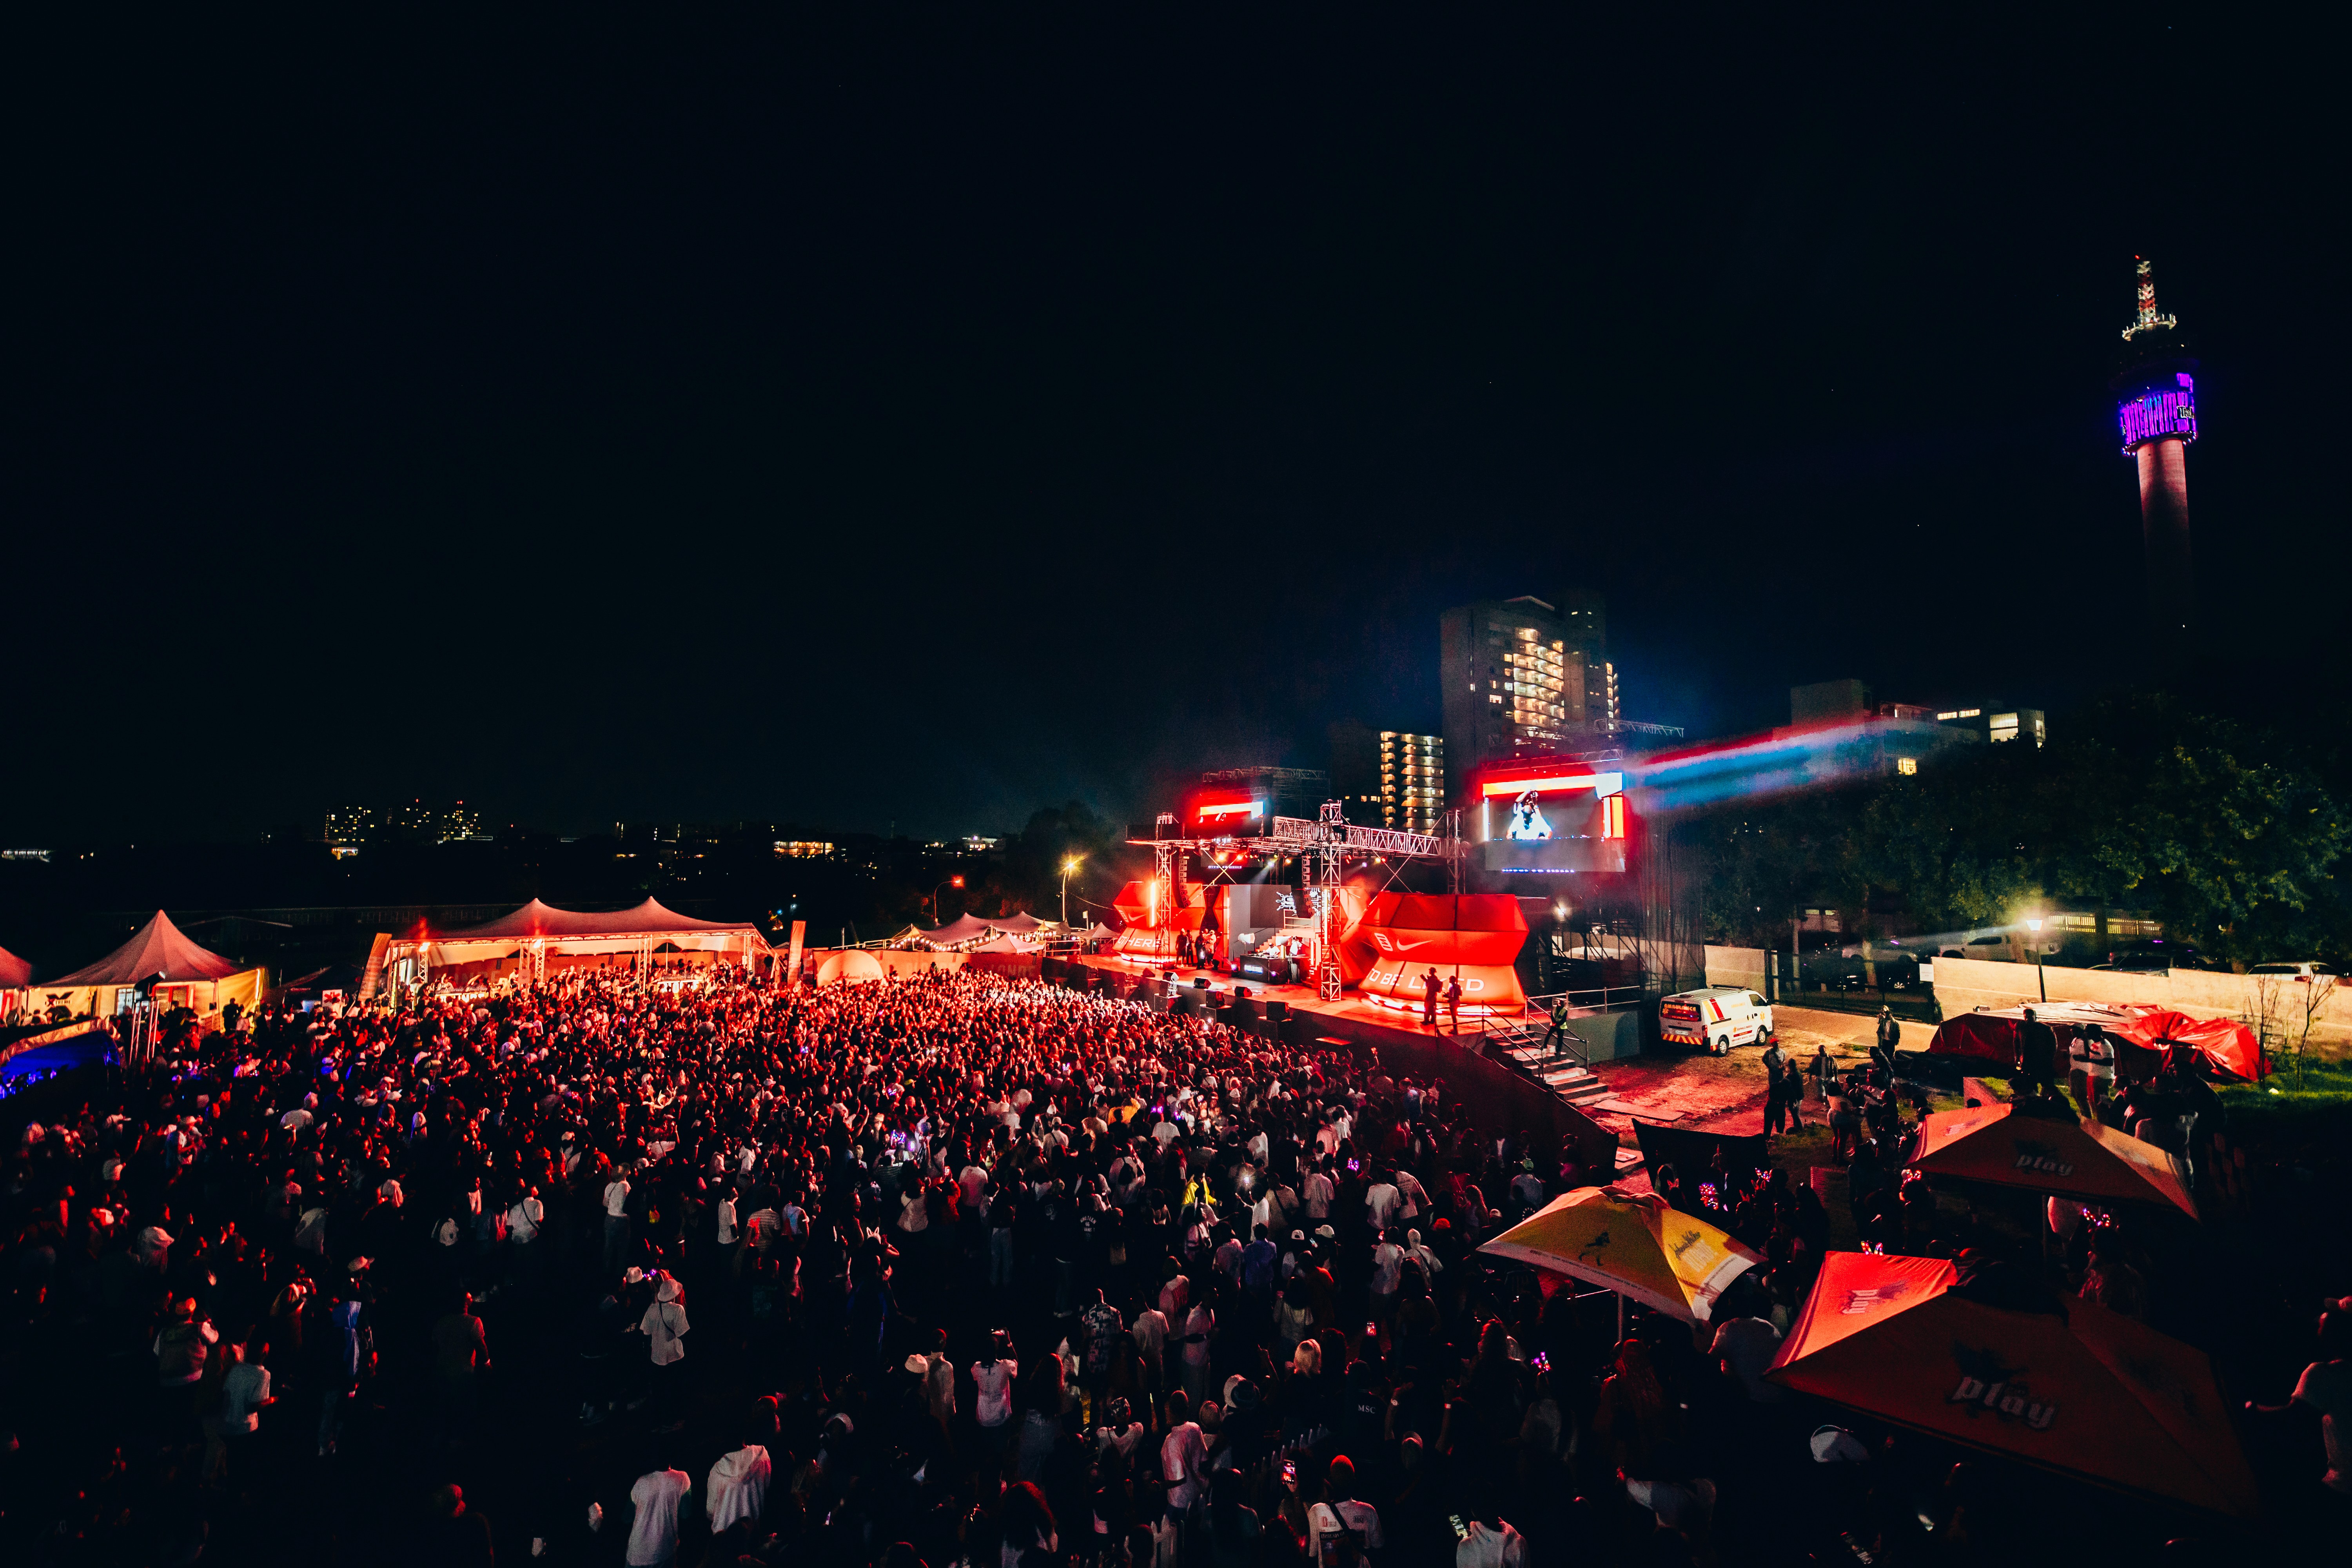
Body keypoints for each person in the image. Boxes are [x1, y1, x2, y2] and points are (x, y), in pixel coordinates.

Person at [625, 1459, 692, 1567]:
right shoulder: (682, 1478)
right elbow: (685, 1514)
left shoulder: (641, 1482)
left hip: (637, 1552)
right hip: (665, 1550)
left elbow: (627, 1517)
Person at [2069, 1023, 2116, 1118]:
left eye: (2087, 1031)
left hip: (2101, 1077)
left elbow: (2109, 1062)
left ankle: (2104, 1124)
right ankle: (2096, 1122)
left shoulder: (2104, 1045)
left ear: (2094, 1033)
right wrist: (2086, 1042)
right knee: (2092, 1102)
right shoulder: (2095, 1044)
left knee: (2100, 1104)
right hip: (2093, 1075)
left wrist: (2089, 1060)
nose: (2085, 1033)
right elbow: (2089, 1055)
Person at [2016, 1007, 2060, 1100]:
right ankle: (2032, 1100)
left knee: (2048, 1085)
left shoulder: (2045, 1029)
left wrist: (2049, 1058)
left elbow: (2054, 1045)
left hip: (2043, 1062)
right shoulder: (2022, 1028)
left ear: (2035, 1017)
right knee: (2030, 1085)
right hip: (2028, 1062)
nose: (2028, 1019)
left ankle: (2050, 1100)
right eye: (2026, 1017)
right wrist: (2017, 1057)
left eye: (2030, 1017)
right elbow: (2017, 1043)